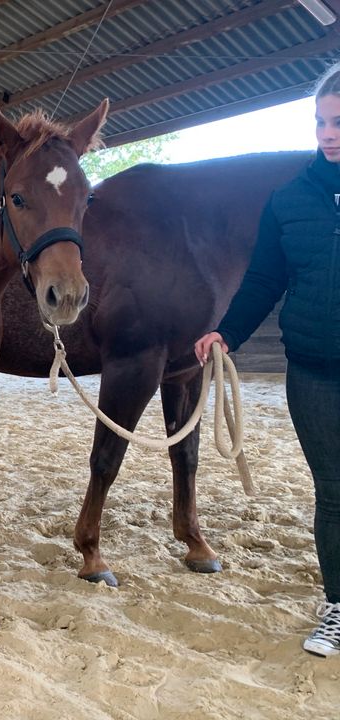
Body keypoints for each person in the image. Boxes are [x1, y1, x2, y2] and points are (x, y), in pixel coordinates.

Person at [195, 62, 340, 658]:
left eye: (339, 123)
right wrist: (224, 333)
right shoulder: (288, 201)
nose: (328, 133)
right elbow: (263, 280)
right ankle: (338, 606)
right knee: (333, 491)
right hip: (314, 372)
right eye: (322, 122)